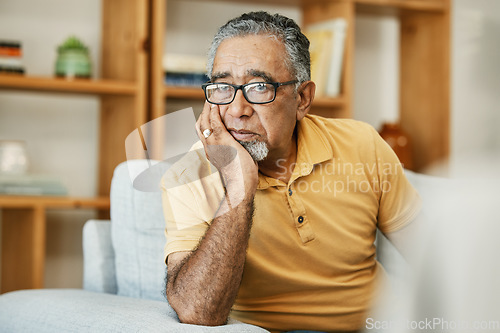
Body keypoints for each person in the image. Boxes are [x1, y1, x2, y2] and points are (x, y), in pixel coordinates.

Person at [161, 11, 421, 333]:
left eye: (258, 87)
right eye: (223, 87)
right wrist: (238, 186)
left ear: (302, 99)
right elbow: (196, 311)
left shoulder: (362, 145)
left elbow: (435, 257)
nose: (236, 110)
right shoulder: (188, 174)